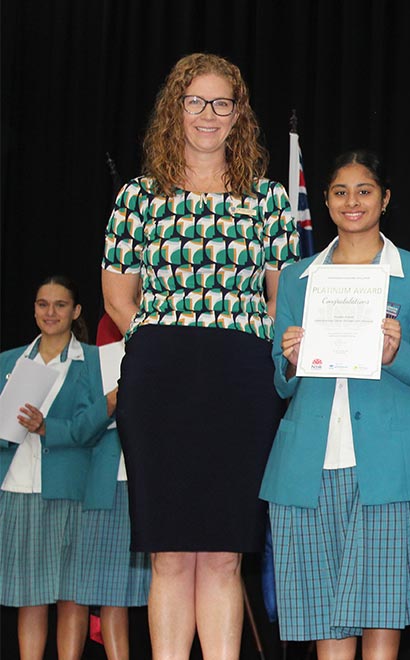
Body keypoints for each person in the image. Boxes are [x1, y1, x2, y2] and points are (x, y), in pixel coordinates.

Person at [100, 52, 298, 659]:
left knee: (221, 552)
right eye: (195, 102)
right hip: (159, 377)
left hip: (240, 379)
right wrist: (169, 335)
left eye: (221, 103)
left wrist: (232, 333)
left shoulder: (266, 198)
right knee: (167, 552)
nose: (208, 115)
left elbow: (281, 297)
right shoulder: (138, 196)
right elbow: (116, 296)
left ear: (239, 115)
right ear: (174, 110)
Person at [261, 150, 410, 659]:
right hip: (308, 464)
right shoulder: (298, 277)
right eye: (341, 192)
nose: (353, 201)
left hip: (390, 467)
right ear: (325, 201)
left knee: (382, 616)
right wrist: (290, 360)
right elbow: (279, 385)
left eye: (365, 190)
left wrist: (396, 353)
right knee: (327, 618)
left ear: (385, 199)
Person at [0, 275, 115, 660]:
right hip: (19, 487)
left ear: (76, 311)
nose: (50, 312)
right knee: (28, 597)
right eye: (42, 304)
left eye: (60, 305)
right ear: (33, 310)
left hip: (70, 489)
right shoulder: (9, 361)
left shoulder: (95, 361)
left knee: (72, 596)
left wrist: (48, 427)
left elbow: (95, 425)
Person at [72, 316, 152, 660]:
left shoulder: (165, 349)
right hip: (110, 485)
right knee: (111, 591)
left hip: (153, 485)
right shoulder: (93, 362)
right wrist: (110, 402)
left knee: (166, 586)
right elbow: (79, 430)